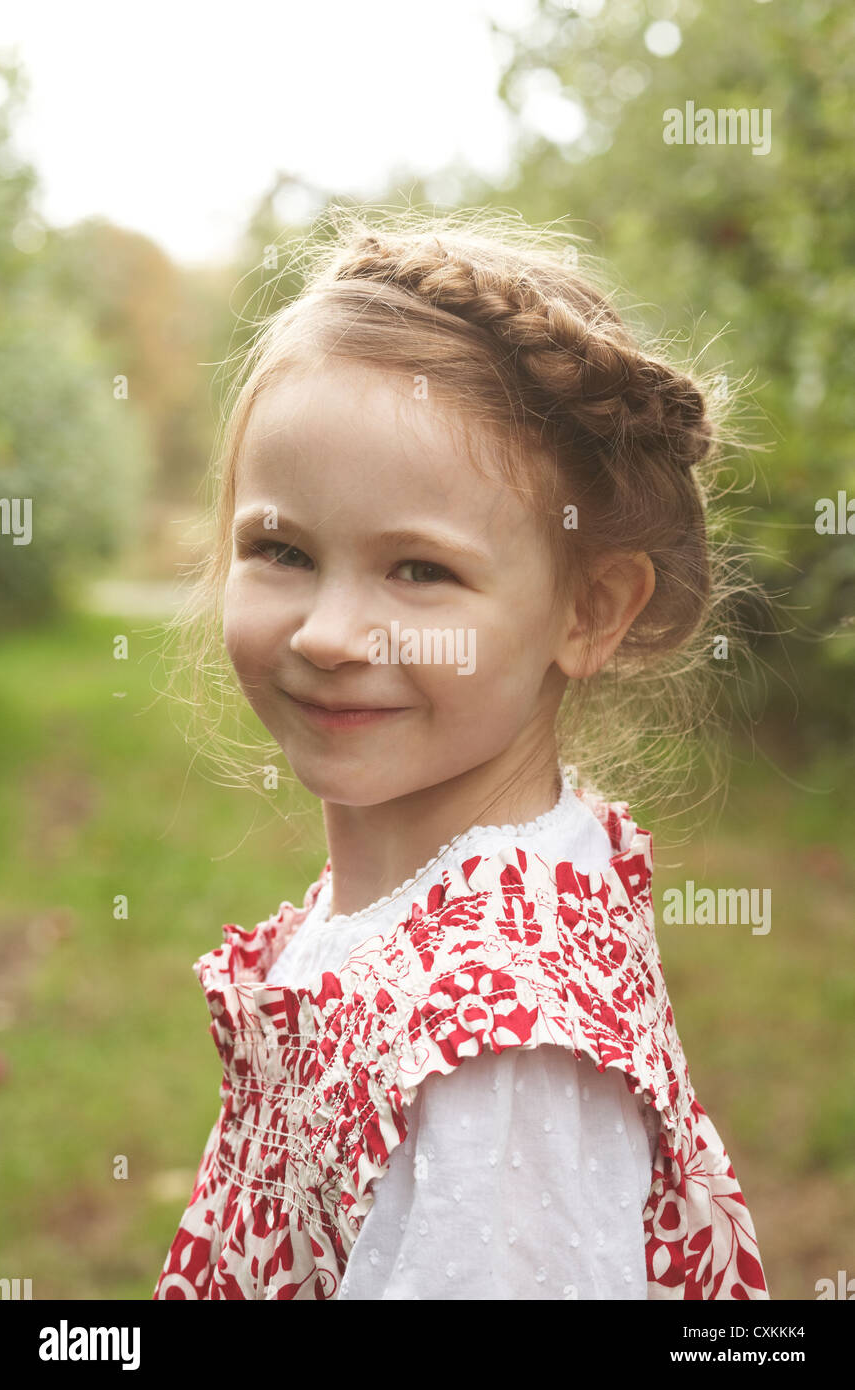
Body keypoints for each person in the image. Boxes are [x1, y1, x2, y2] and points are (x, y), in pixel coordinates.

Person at [153, 208, 769, 1300]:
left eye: (419, 571)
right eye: (281, 549)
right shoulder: (435, 913)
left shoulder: (498, 1061)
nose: (330, 634)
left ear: (587, 610)